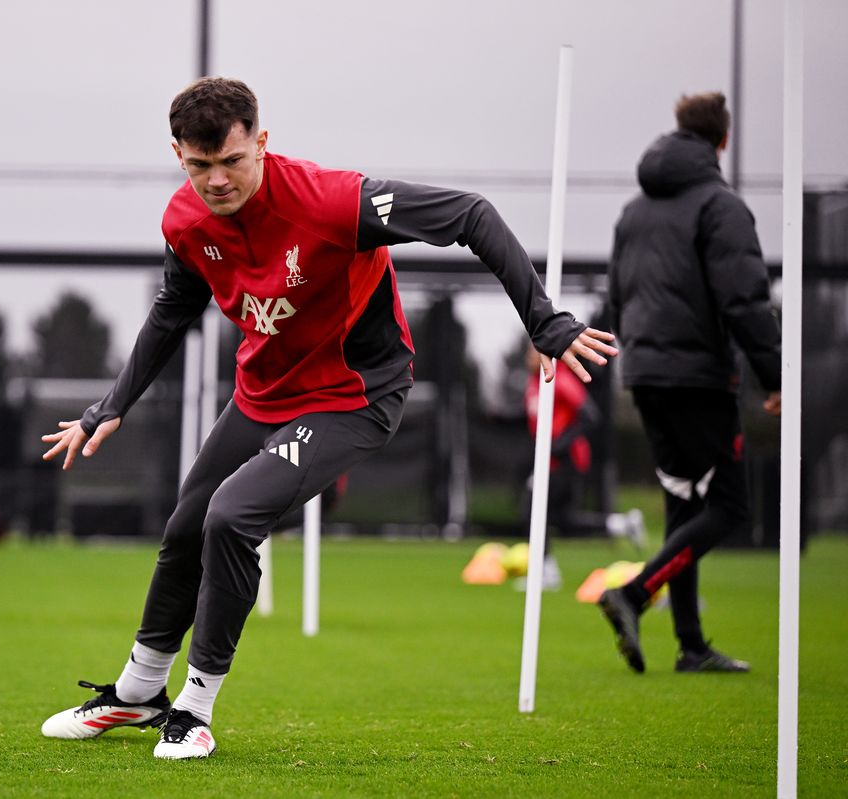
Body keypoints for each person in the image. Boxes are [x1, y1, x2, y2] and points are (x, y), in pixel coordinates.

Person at [39, 77, 617, 759]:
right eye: (199, 166)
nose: (217, 180)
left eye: (231, 160)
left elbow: (472, 215)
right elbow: (174, 309)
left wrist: (544, 320)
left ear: (261, 141)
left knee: (231, 516)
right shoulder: (184, 221)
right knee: (185, 528)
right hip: (263, 394)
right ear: (178, 156)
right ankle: (137, 694)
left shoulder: (334, 201)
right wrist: (112, 406)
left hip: (354, 396)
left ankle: (193, 708)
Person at [599, 92, 781, 674]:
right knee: (729, 507)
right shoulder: (721, 207)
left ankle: (691, 645)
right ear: (722, 140)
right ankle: (633, 593)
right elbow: (745, 299)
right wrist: (775, 376)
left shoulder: (632, 212)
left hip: (646, 374)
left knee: (684, 504)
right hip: (698, 376)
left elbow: (617, 296)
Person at [518, 343, 645, 591]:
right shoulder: (533, 382)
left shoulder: (560, 379)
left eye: (533, 351)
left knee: (532, 509)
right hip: (550, 459)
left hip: (567, 459)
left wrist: (558, 445)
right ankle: (621, 524)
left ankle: (546, 570)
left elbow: (590, 415)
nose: (529, 356)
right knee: (561, 519)